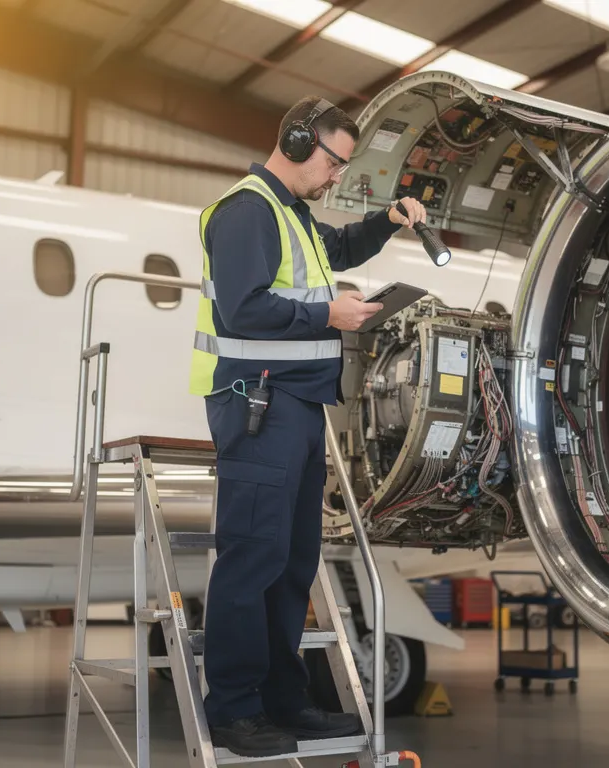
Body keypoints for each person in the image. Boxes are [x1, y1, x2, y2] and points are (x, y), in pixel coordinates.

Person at [187, 95, 428, 758]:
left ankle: (282, 702)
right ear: (296, 142)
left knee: (292, 562)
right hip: (258, 405)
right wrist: (330, 317)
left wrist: (388, 220)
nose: (335, 178)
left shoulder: (291, 215)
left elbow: (343, 247)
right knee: (252, 558)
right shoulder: (247, 212)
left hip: (295, 405)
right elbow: (242, 311)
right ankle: (234, 710)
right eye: (332, 162)